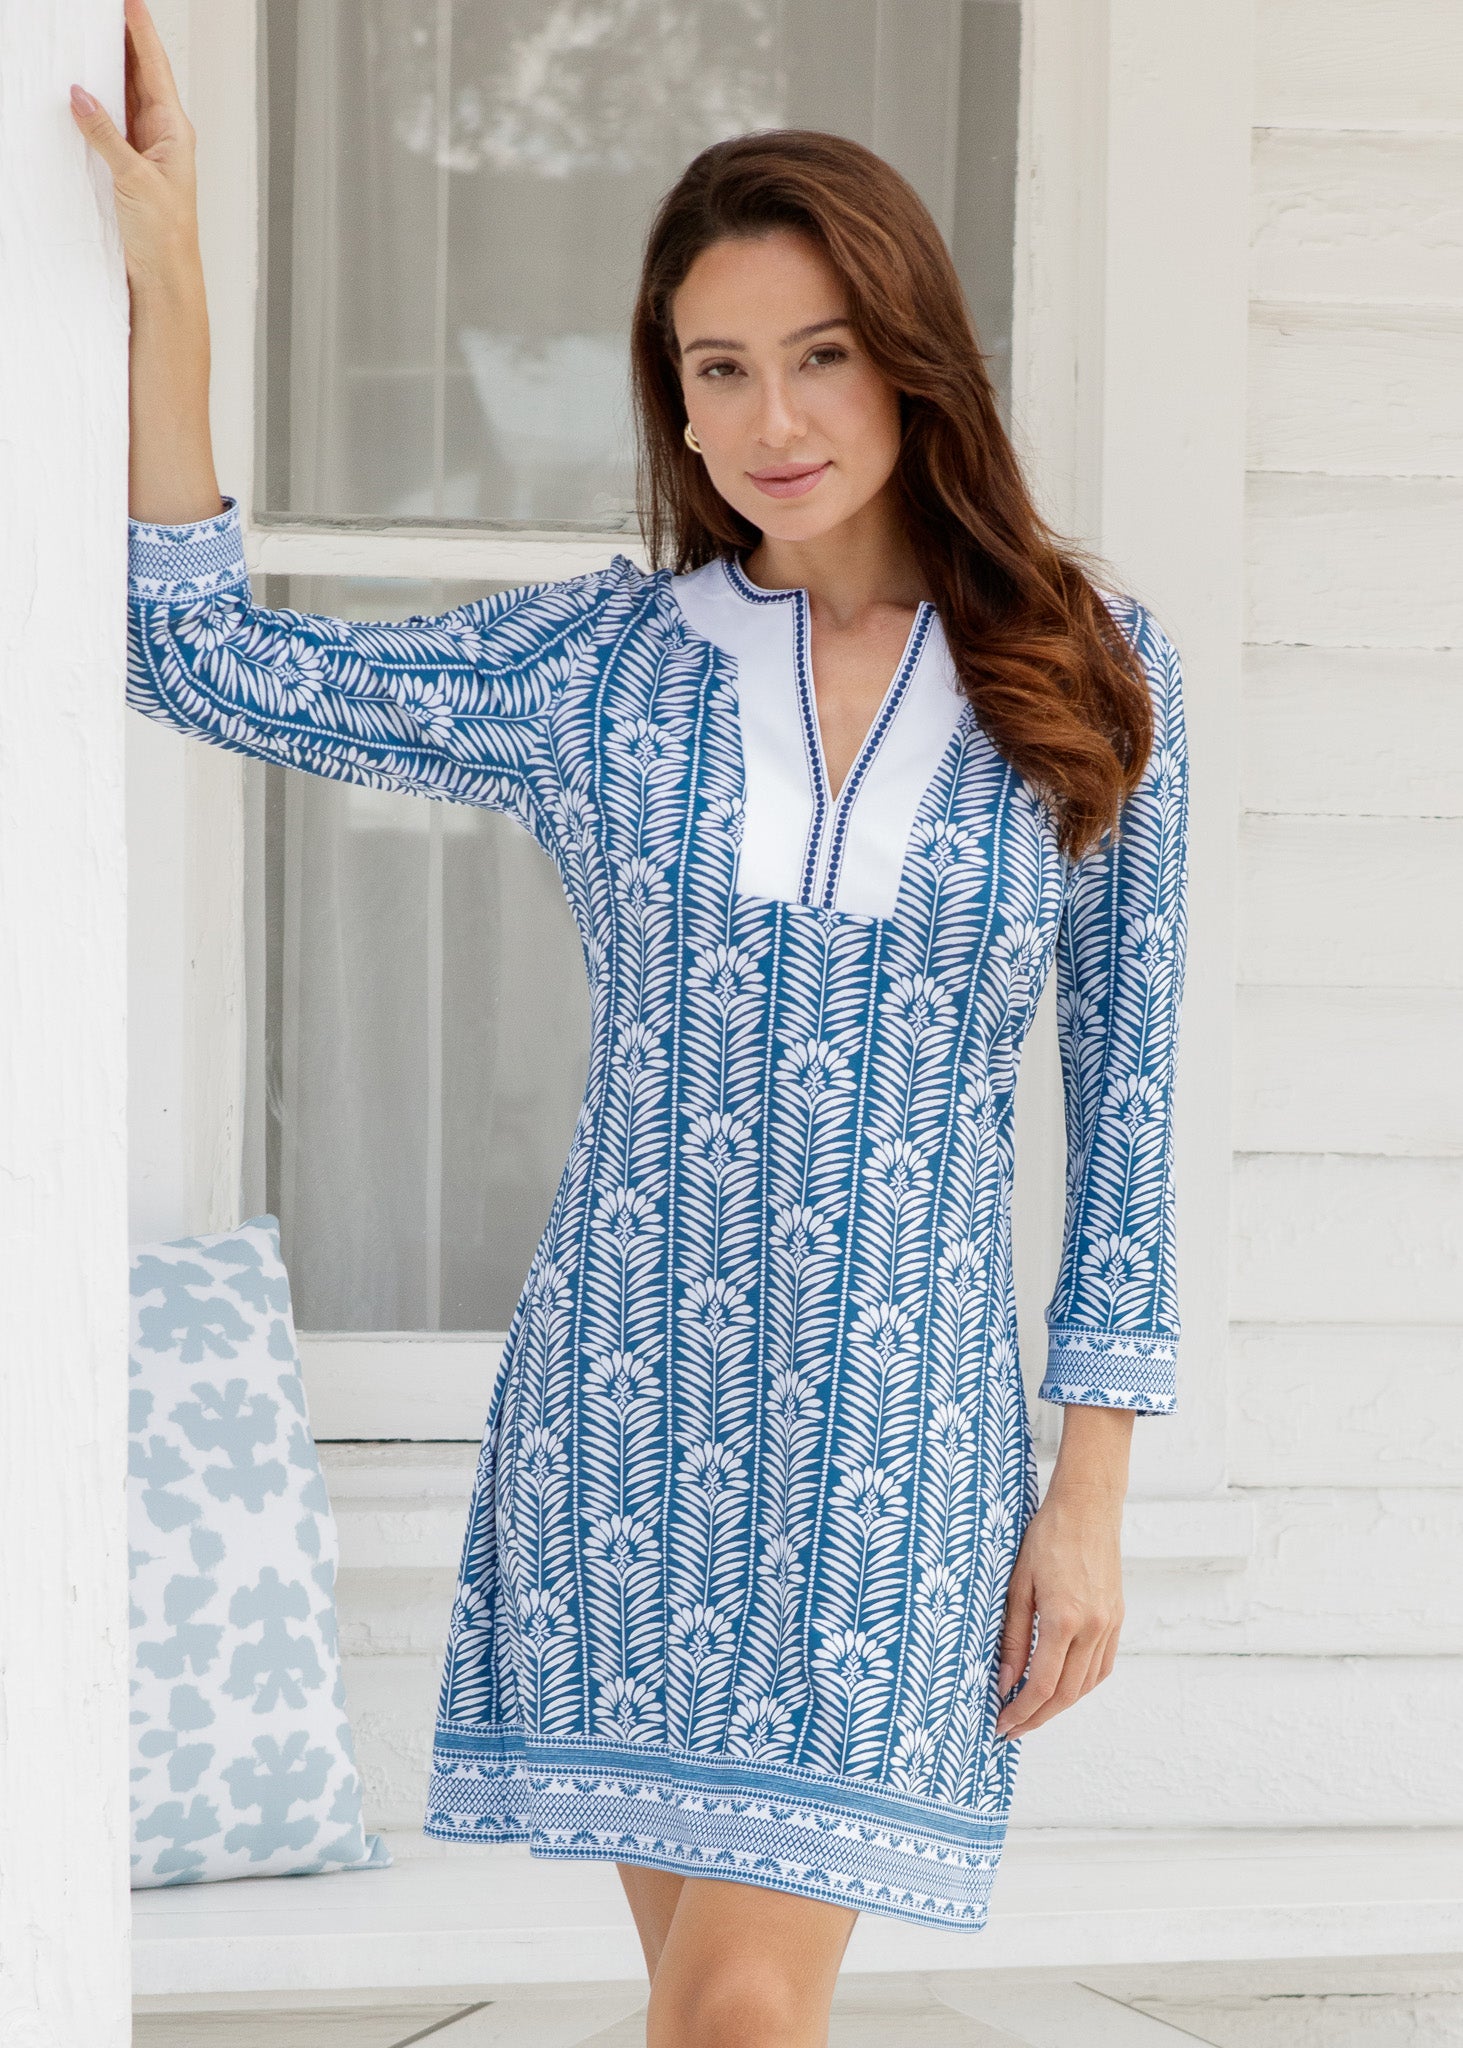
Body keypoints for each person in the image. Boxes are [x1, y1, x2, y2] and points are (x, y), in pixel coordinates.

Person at [75, 3, 1189, 2040]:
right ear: (672, 405)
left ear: (913, 355)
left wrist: (1089, 1495)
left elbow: (1130, 1117)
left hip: (903, 1457)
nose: (773, 416)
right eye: (719, 370)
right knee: (720, 2015)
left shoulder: (1091, 670)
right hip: (629, 1436)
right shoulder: (602, 664)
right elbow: (202, 656)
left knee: (739, 2010)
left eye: (822, 352)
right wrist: (170, 278)